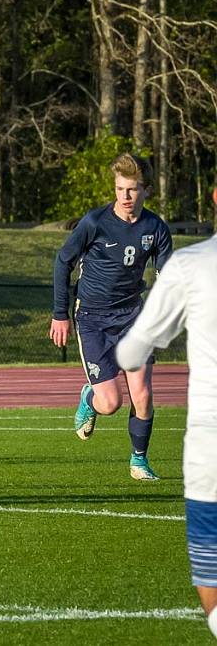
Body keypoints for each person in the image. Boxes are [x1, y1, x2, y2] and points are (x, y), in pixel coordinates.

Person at [116, 188, 217, 637]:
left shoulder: (191, 266)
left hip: (210, 447)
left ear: (214, 198)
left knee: (211, 578)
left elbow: (134, 348)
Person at [50, 153, 173, 479]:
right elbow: (63, 262)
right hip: (92, 318)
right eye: (120, 189)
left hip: (133, 317)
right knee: (110, 404)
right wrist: (60, 314)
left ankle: (139, 461)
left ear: (145, 190)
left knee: (143, 394)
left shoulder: (156, 228)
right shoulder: (94, 222)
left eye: (132, 190)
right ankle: (89, 397)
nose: (126, 197)